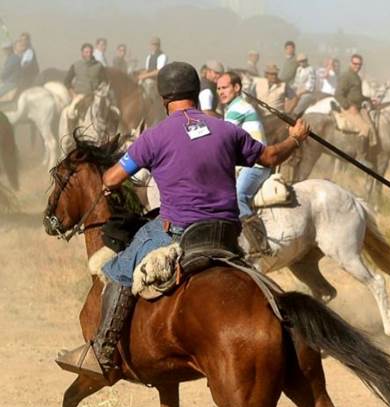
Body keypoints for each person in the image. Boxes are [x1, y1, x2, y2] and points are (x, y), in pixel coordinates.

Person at [56, 61, 309, 379]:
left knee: (117, 269)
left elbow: (111, 179)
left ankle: (103, 352)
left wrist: (121, 173)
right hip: (226, 233)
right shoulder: (226, 129)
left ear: (163, 97)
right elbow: (270, 157)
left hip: (178, 232)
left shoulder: (154, 137)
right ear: (197, 92)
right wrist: (296, 138)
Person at [215, 70, 274, 256]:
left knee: (238, 196)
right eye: (218, 88)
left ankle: (259, 244)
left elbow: (223, 140)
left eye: (225, 88)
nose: (221, 92)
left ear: (237, 87)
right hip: (247, 164)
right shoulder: (234, 107)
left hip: (256, 165)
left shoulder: (237, 108)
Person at [335, 53, 375, 145]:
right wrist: (348, 106)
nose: (357, 66)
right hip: (349, 109)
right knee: (365, 128)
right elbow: (338, 94)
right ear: (350, 63)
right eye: (355, 64)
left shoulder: (356, 76)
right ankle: (360, 153)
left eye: (359, 64)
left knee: (372, 125)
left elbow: (357, 95)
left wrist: (368, 99)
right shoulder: (346, 76)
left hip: (358, 108)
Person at [63, 42, 106, 107]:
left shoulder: (99, 66)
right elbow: (67, 81)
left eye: (90, 52)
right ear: (82, 53)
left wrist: (99, 91)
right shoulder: (76, 65)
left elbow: (104, 81)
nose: (89, 54)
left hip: (95, 97)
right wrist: (73, 95)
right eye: (86, 52)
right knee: (69, 111)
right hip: (79, 97)